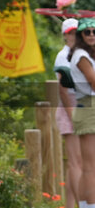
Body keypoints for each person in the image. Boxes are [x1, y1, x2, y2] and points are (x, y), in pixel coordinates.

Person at [54, 18, 82, 208]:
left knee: (81, 163)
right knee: (76, 163)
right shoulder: (63, 56)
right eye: (71, 32)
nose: (75, 36)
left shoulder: (82, 54)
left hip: (82, 105)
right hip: (70, 107)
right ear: (65, 35)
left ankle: (72, 204)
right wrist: (74, 115)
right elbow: (63, 90)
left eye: (77, 32)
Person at [69, 18, 95, 208]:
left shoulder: (86, 54)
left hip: (87, 106)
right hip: (88, 107)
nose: (92, 35)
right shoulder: (81, 55)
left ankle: (86, 205)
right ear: (80, 35)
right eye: (87, 32)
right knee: (90, 167)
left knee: (89, 166)